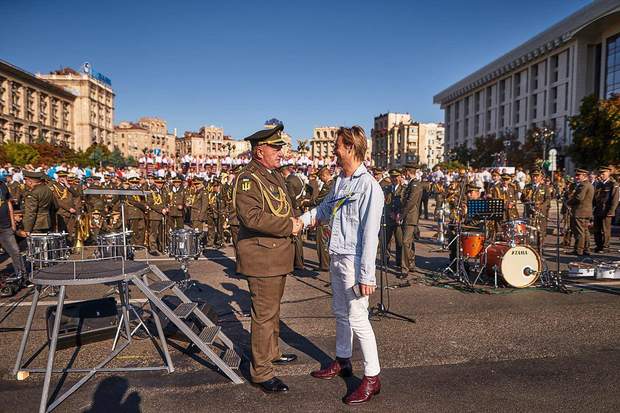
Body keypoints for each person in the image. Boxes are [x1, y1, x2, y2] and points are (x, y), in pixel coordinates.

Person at [301, 126, 383, 405]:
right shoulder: (340, 182)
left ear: (350, 147)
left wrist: (367, 276)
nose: (333, 151)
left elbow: (370, 235)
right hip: (337, 255)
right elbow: (325, 209)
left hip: (354, 261)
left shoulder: (368, 186)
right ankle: (343, 360)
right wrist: (300, 221)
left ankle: (372, 377)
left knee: (358, 318)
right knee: (340, 313)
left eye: (337, 146)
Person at [234, 124, 300, 393]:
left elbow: (285, 206)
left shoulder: (272, 175)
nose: (280, 152)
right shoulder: (248, 178)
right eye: (276, 148)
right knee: (263, 315)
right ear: (260, 151)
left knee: (273, 311)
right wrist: (289, 226)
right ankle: (261, 372)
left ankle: (271, 353)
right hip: (262, 257)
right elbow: (251, 217)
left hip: (276, 255)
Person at [0, 177, 27, 283]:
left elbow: (9, 203)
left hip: (5, 226)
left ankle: (22, 277)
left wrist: (12, 223)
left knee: (15, 251)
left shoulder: (2, 185)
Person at [400, 164, 423, 279]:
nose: (404, 174)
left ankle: (405, 268)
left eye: (405, 172)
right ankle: (411, 263)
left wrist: (402, 215)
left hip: (410, 217)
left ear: (408, 172)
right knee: (410, 241)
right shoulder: (411, 184)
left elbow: (410, 202)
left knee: (405, 242)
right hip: (410, 217)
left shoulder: (415, 184)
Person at [593, 166, 619, 253]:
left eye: (603, 173)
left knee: (605, 230)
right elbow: (595, 198)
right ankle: (598, 245)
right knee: (596, 229)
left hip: (606, 210)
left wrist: (611, 211)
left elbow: (615, 199)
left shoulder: (613, 184)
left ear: (608, 173)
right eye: (600, 173)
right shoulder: (599, 184)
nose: (601, 175)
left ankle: (605, 247)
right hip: (598, 210)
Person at [568, 168, 594, 256]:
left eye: (578, 175)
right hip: (586, 212)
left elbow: (579, 198)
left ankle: (579, 250)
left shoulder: (583, 185)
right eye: (576, 175)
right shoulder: (588, 184)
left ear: (584, 176)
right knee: (585, 231)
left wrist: (569, 202)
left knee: (579, 232)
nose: (576, 177)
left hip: (580, 212)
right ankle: (586, 249)